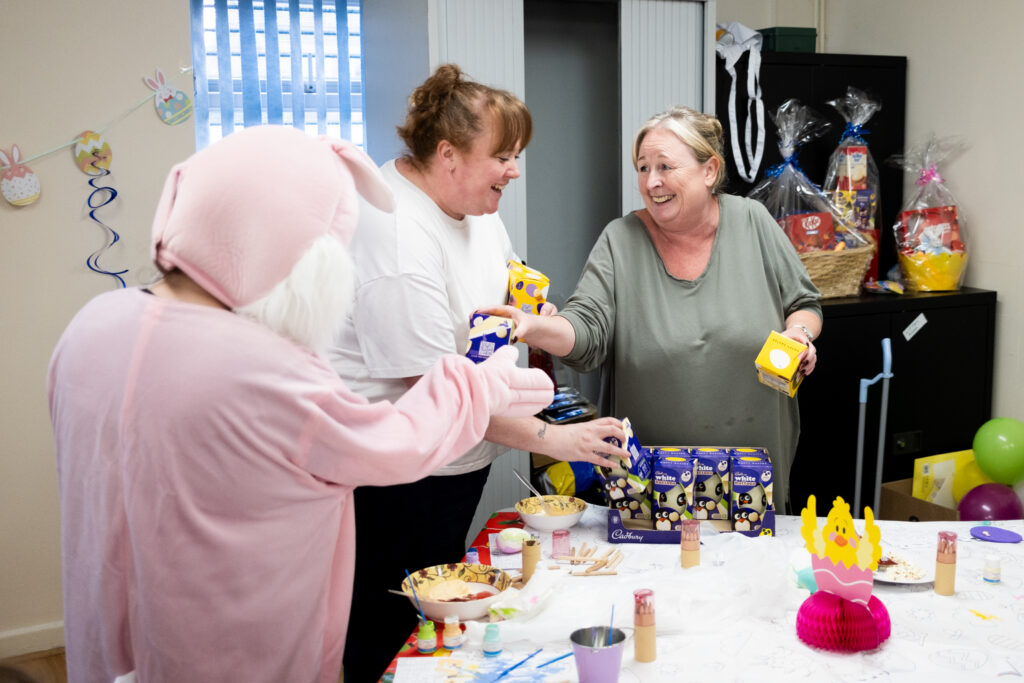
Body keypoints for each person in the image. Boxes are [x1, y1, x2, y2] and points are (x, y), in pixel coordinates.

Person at [47, 125, 557, 683]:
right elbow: (394, 447)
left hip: (108, 646)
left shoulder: (92, 326)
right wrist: (481, 384)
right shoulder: (260, 366)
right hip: (231, 651)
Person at [330, 64, 629, 681]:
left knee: (436, 624)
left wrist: (531, 312)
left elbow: (505, 283)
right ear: (448, 155)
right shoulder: (396, 238)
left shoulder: (474, 205)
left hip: (457, 459)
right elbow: (437, 399)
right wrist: (554, 438)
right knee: (389, 631)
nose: (514, 171)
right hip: (399, 478)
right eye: (503, 156)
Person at [483, 105, 822, 512]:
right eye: (643, 168)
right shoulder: (620, 240)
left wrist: (799, 334)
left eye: (665, 166)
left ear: (709, 170)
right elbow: (585, 330)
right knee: (655, 554)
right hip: (650, 482)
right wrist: (531, 325)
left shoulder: (753, 222)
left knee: (751, 553)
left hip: (753, 471)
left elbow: (803, 302)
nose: (651, 182)